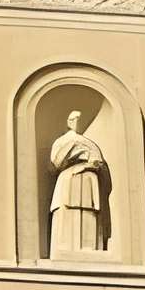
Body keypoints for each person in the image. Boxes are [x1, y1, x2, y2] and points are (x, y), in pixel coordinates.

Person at [48, 109, 107, 254]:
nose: (77, 122)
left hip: (87, 179)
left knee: (88, 211)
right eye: (74, 119)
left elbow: (97, 162)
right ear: (69, 122)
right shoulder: (61, 141)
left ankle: (89, 248)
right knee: (66, 210)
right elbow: (56, 163)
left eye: (80, 119)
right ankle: (64, 248)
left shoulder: (89, 143)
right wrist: (74, 150)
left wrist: (87, 164)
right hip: (68, 178)